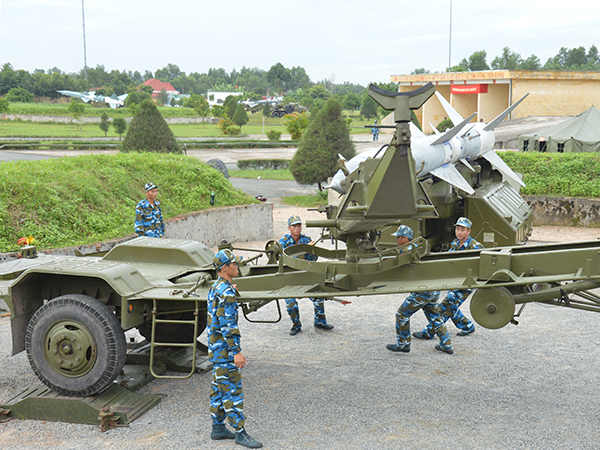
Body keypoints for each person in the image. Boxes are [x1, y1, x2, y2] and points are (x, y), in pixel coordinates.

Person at [207, 249, 263, 448]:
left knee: (218, 388)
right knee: (232, 391)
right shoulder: (227, 292)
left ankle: (217, 428)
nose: (237, 266)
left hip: (216, 349)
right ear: (225, 268)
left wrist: (232, 289)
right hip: (226, 351)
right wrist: (236, 352)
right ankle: (240, 432)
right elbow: (228, 325)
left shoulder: (217, 286)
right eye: (234, 264)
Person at [386, 225, 454, 355]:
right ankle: (447, 344)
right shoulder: (418, 247)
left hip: (423, 291)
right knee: (434, 316)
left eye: (398, 238)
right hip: (433, 288)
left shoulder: (406, 250)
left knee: (402, 314)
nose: (396, 241)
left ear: (404, 238)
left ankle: (403, 344)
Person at [413, 217, 484, 340]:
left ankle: (429, 331)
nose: (459, 232)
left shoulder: (476, 246)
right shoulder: (455, 243)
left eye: (463, 229)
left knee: (445, 305)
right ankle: (467, 326)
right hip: (455, 281)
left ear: (469, 231)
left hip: (466, 283)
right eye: (457, 229)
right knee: (451, 306)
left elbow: (482, 265)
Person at [279, 215, 334, 336]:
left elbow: (313, 259)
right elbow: (286, 260)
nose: (297, 228)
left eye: (299, 225)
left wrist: (311, 251)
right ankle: (296, 325)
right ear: (289, 228)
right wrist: (305, 250)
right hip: (290, 276)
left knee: (319, 296)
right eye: (294, 226)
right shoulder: (283, 242)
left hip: (306, 274)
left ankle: (320, 321)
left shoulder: (307, 239)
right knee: (290, 303)